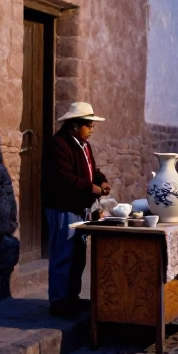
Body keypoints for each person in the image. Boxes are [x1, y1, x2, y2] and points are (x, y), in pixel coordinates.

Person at [41, 101, 111, 317]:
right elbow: (65, 178)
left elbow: (90, 169)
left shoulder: (84, 145)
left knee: (78, 254)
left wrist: (101, 180)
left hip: (79, 207)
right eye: (88, 125)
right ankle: (59, 302)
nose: (92, 129)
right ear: (74, 125)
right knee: (63, 254)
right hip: (63, 207)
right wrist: (91, 187)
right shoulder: (59, 145)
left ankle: (72, 297)